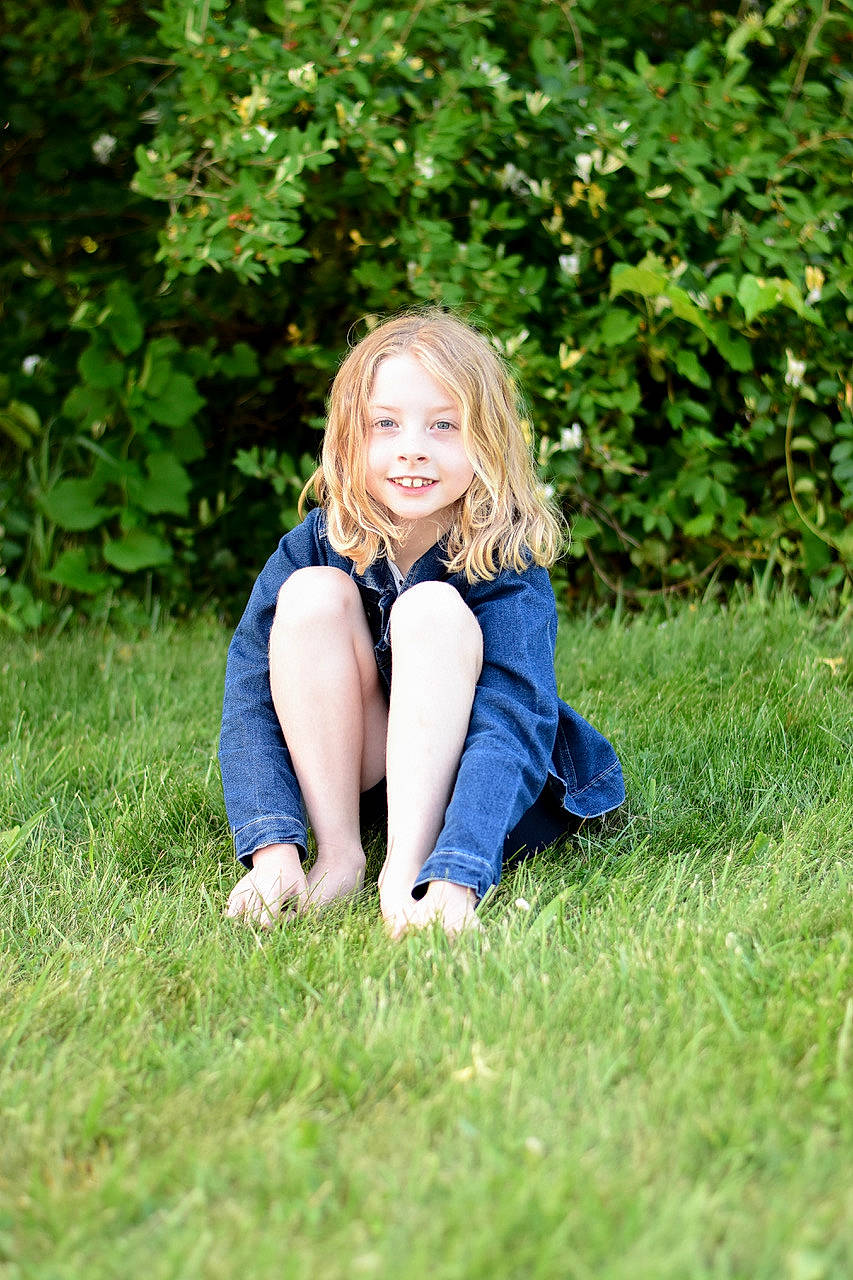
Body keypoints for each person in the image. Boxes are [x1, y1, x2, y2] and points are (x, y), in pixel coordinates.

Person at [219, 308, 624, 939]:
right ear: (351, 438)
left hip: (472, 783)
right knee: (311, 596)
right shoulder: (316, 541)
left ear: (486, 440)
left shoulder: (504, 562)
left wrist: (455, 872)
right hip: (365, 770)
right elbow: (250, 691)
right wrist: (272, 848)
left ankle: (405, 868)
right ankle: (340, 853)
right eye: (387, 424)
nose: (413, 447)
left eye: (443, 425)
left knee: (428, 608)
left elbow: (510, 722)